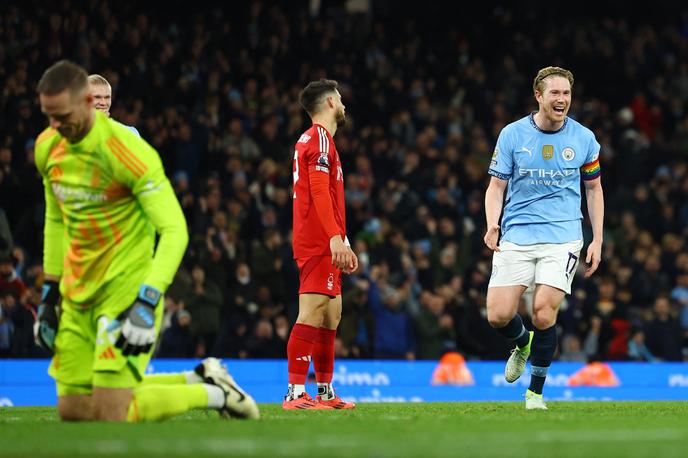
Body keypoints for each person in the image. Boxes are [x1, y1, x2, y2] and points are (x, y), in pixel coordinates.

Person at [32, 60, 258, 422]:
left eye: (61, 116)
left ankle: (215, 394)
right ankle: (199, 377)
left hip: (126, 290)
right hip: (77, 293)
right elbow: (56, 218)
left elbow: (174, 229)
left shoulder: (129, 150)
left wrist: (147, 299)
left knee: (112, 413)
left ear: (88, 103)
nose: (55, 126)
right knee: (73, 411)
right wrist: (49, 291)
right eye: (48, 117)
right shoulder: (48, 147)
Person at [484, 66, 604, 410]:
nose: (561, 99)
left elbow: (593, 190)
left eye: (566, 93)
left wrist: (596, 239)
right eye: (555, 93)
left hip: (563, 237)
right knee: (498, 315)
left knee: (543, 312)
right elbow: (496, 187)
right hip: (518, 234)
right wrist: (493, 223)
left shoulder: (584, 139)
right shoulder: (511, 135)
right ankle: (522, 343)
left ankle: (534, 394)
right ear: (538, 96)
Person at [283, 79, 357, 410]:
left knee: (331, 315)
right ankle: (295, 393)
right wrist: (333, 239)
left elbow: (329, 196)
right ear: (329, 103)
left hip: (325, 238)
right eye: (339, 99)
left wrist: (344, 239)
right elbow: (317, 192)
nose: (343, 104)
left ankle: (325, 392)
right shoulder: (320, 140)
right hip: (317, 240)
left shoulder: (317, 141)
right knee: (312, 310)